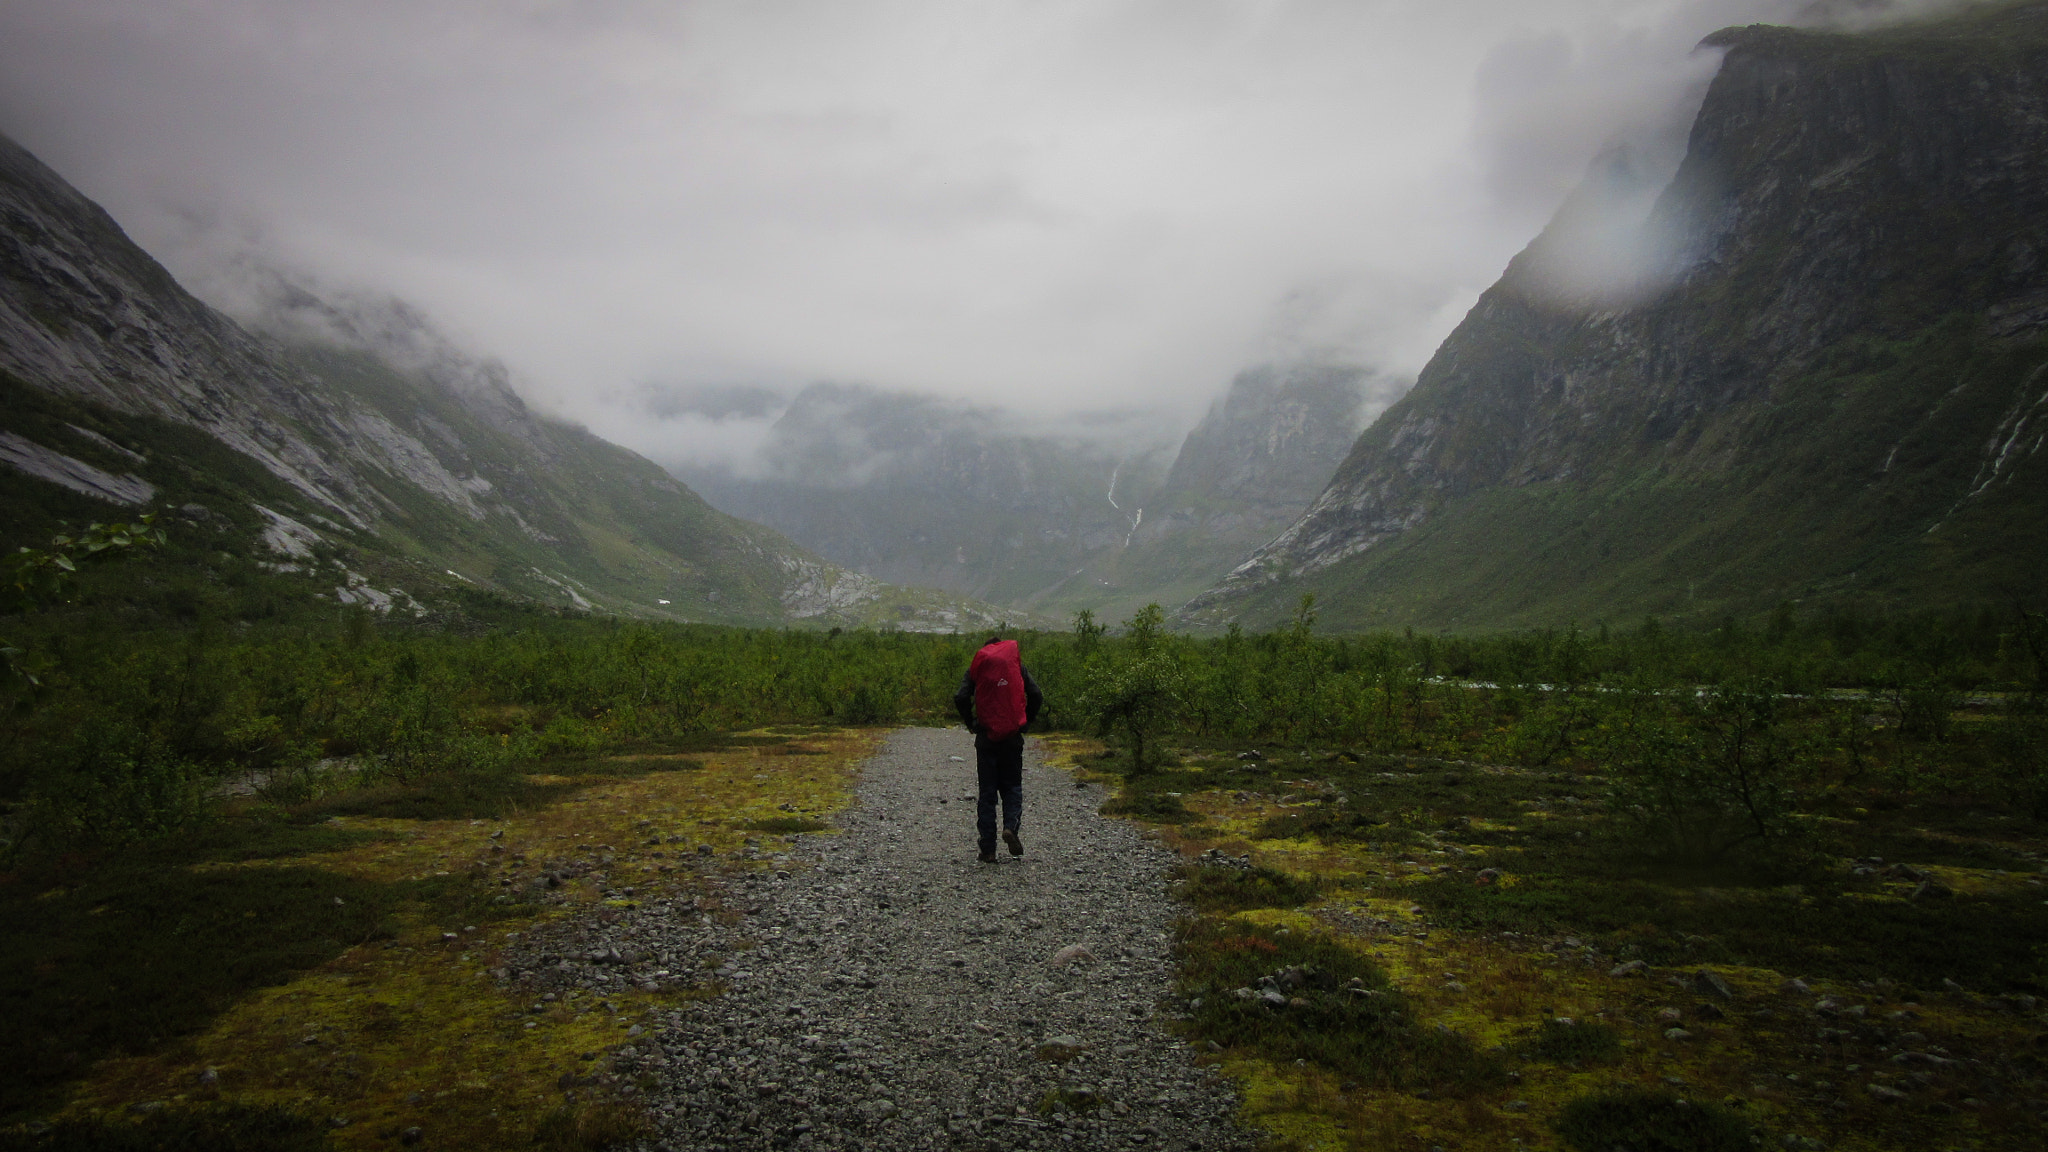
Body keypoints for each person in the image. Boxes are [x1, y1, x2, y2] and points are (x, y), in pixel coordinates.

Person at [953, 635, 1044, 863]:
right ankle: (1011, 827)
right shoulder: (1016, 666)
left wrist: (971, 723)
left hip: (986, 739)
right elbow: (1036, 694)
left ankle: (988, 849)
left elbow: (961, 696)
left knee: (987, 794)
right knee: (1012, 787)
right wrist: (1025, 722)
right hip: (1012, 738)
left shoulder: (978, 667)